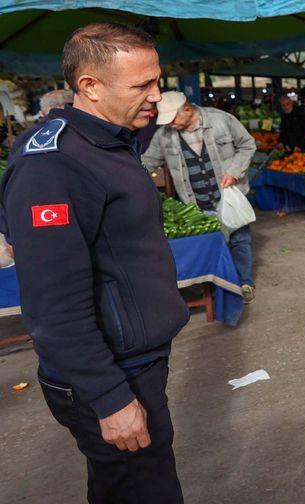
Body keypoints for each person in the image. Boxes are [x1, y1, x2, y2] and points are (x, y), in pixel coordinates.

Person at [0, 23, 189, 503]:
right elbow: (52, 303)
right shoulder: (55, 162)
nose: (157, 95)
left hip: (136, 358)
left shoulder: (112, 139)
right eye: (142, 85)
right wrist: (109, 397)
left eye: (157, 80)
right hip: (111, 372)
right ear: (90, 86)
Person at [142, 91, 258, 302]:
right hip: (196, 202)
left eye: (173, 118)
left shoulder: (221, 120)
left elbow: (248, 145)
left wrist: (233, 171)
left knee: (240, 240)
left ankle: (245, 283)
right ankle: (221, 289)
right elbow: (148, 161)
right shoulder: (164, 135)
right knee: (213, 245)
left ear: (187, 110)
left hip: (229, 197)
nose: (170, 124)